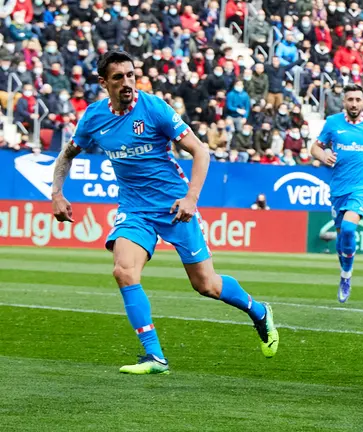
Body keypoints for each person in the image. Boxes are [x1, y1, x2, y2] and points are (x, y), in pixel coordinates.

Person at [49, 51, 279, 375]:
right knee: (124, 271)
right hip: (134, 208)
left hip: (175, 206)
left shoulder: (154, 108)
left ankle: (259, 312)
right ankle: (155, 357)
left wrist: (191, 199)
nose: (128, 82)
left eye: (131, 75)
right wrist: (56, 192)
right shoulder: (94, 118)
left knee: (207, 285)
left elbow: (200, 150)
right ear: (103, 83)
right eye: (119, 77)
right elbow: (67, 154)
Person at [310, 84, 363, 303]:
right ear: (344, 102)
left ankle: (347, 275)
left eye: (358, 99)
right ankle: (345, 273)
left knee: (348, 227)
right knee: (341, 237)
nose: (354, 103)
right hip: (338, 188)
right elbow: (315, 147)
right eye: (350, 99)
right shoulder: (333, 123)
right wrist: (323, 156)